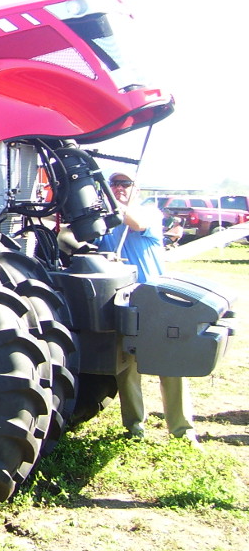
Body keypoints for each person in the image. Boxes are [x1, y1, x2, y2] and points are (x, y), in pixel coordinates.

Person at [96, 172, 200, 445]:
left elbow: (137, 222)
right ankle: (135, 428)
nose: (119, 188)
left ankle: (182, 431)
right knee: (127, 369)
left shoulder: (149, 213)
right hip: (123, 303)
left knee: (171, 365)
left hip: (155, 302)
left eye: (124, 184)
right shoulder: (105, 223)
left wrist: (107, 201)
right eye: (114, 184)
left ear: (136, 188)